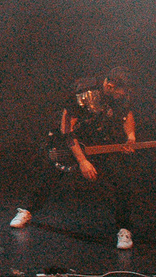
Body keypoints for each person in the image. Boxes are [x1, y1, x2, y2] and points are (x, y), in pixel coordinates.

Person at [15, 71, 138, 250]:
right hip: (70, 140)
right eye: (121, 91)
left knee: (121, 180)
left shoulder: (121, 97)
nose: (124, 95)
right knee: (51, 175)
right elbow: (67, 129)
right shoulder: (83, 91)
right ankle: (26, 210)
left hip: (99, 140)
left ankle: (124, 229)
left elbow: (127, 115)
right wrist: (82, 161)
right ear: (110, 86)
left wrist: (131, 136)